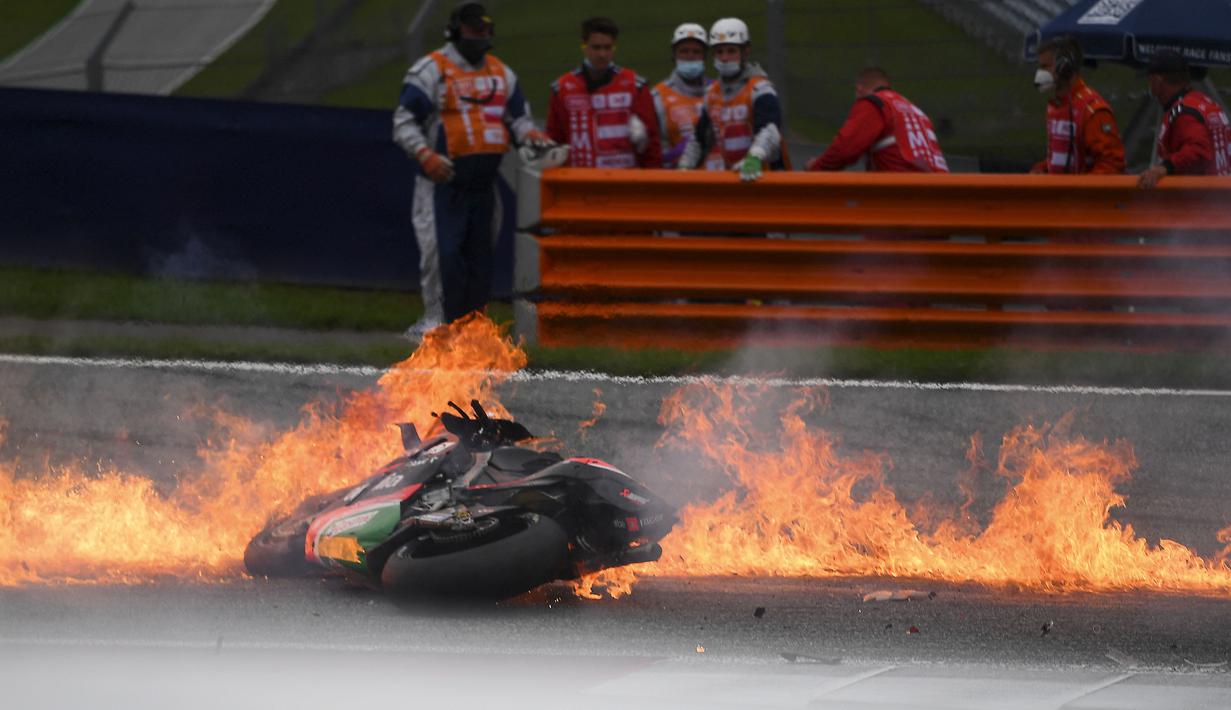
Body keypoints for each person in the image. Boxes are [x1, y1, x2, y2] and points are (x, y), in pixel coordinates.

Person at [392, 2, 555, 337]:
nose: (477, 35)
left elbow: (519, 120)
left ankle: (473, 329)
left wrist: (532, 136)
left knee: (480, 261)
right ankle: (434, 323)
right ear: (455, 29)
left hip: (484, 186)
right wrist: (426, 156)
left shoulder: (501, 73)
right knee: (440, 258)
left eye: (483, 29)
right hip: (442, 184)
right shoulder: (431, 70)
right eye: (471, 28)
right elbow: (403, 123)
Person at [677, 17, 787, 181]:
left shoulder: (760, 88)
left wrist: (755, 156)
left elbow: (770, 129)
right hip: (735, 178)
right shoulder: (712, 94)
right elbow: (699, 139)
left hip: (767, 178)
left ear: (746, 52)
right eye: (719, 52)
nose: (724, 58)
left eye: (731, 51)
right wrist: (685, 165)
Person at [546, 17, 662, 169]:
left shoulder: (636, 86)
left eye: (608, 48)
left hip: (625, 183)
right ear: (584, 46)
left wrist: (652, 182)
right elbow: (554, 140)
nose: (602, 54)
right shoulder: (562, 88)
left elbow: (652, 144)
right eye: (596, 47)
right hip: (579, 184)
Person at [806, 67, 948, 173]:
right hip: (940, 196)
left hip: (903, 197)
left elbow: (845, 149)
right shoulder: (918, 113)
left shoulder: (875, 103)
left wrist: (816, 168)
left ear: (859, 89)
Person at [1029, 36, 1124, 175]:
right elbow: (1060, 159)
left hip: (1081, 195)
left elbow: (1112, 163)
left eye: (1045, 66)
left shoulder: (1092, 110)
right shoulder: (1056, 107)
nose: (1040, 73)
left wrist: (1081, 192)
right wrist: (1042, 168)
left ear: (1064, 67)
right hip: (1062, 195)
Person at [1138, 49, 1231, 188]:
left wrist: (1165, 167)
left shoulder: (1183, 112)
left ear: (1157, 81)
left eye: (1150, 80)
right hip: (1220, 196)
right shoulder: (1204, 102)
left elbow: (1198, 150)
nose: (1149, 85)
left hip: (1203, 200)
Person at [652, 23, 721, 170]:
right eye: (684, 51)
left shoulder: (719, 91)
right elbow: (654, 156)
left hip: (722, 181)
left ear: (705, 56)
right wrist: (681, 151)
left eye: (696, 51)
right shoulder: (658, 97)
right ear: (674, 55)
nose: (690, 56)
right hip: (681, 183)